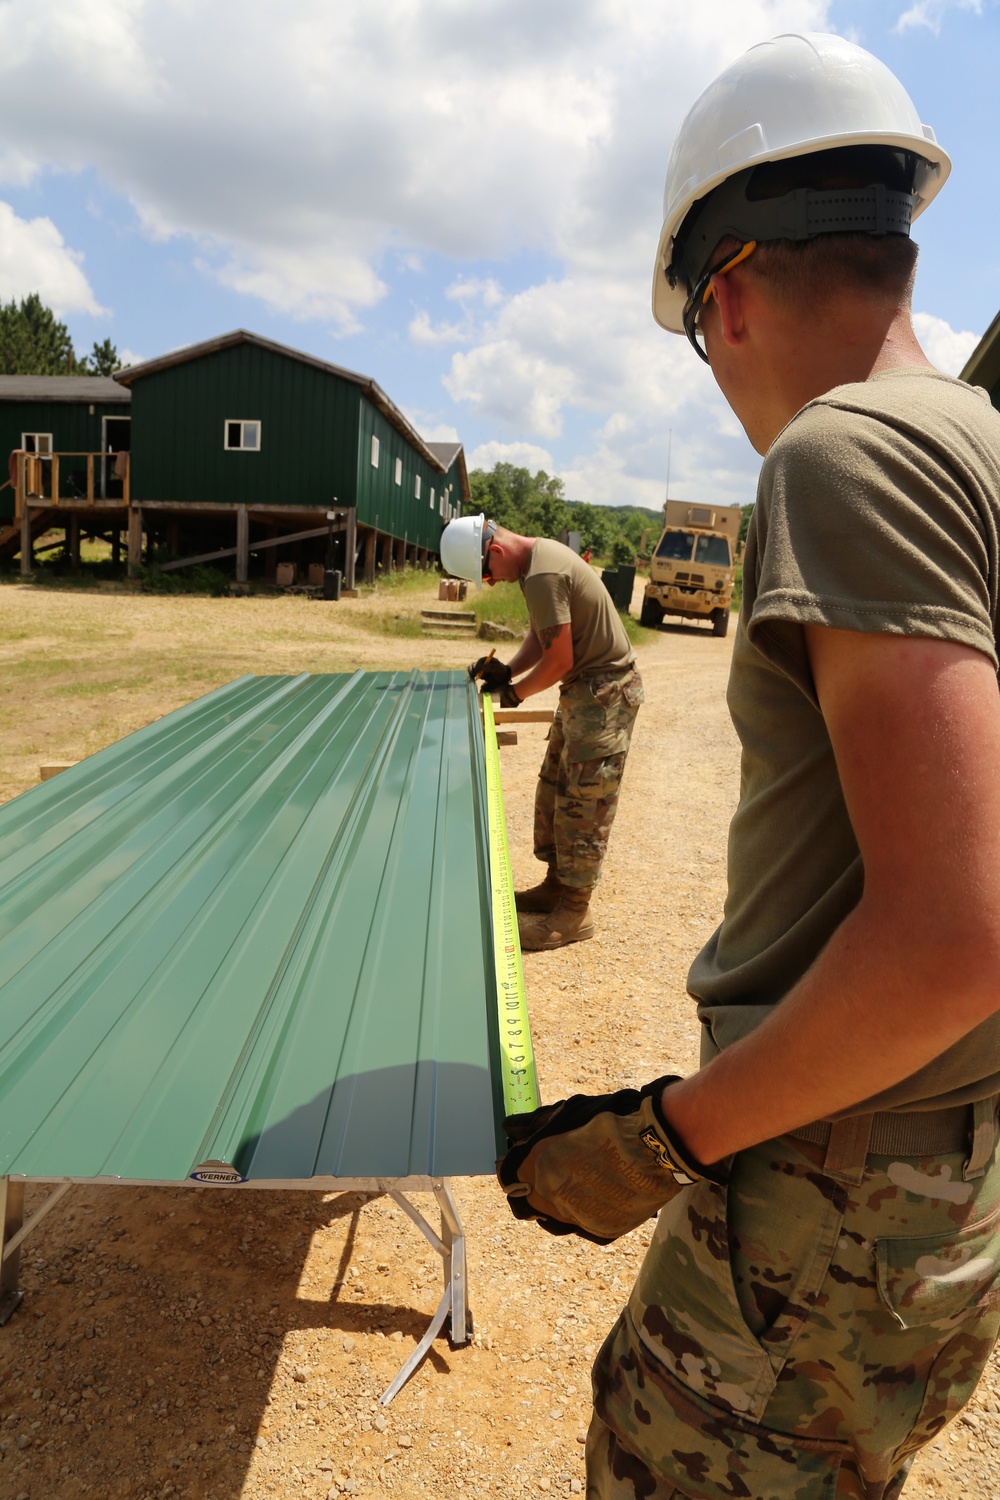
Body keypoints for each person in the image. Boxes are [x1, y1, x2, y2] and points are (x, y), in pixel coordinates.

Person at [497, 31, 1000, 1499]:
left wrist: (653, 1142)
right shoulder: (980, 440)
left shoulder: (846, 457)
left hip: (839, 1182)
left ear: (724, 293)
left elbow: (955, 931)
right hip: (952, 1172)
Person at [440, 515, 644, 951]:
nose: (491, 583)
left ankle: (574, 912)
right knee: (554, 790)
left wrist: (513, 694)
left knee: (584, 802)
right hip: (585, 690)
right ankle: (556, 887)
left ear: (494, 551)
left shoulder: (543, 573)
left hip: (603, 692)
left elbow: (559, 661)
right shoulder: (534, 565)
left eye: (488, 574)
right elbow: (544, 635)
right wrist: (507, 670)